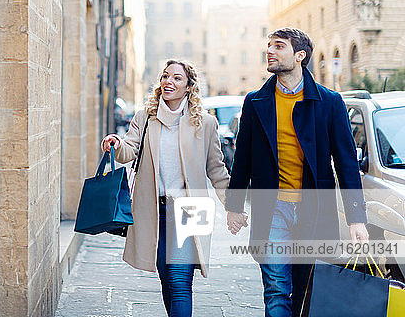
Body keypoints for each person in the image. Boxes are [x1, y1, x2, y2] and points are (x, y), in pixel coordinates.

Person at [225, 28, 369, 317]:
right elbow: (243, 157)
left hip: (314, 210)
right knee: (277, 287)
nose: (270, 51)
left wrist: (357, 218)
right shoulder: (256, 101)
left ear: (299, 56)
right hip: (272, 209)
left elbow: (346, 163)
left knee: (306, 289)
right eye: (269, 45)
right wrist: (234, 207)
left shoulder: (329, 102)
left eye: (279, 46)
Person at [102, 59, 229, 317]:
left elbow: (216, 169)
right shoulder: (145, 118)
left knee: (181, 282)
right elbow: (128, 150)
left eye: (177, 78)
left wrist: (234, 207)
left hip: (190, 210)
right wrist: (115, 144)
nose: (169, 81)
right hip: (154, 210)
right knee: (166, 279)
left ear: (188, 86)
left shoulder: (204, 123)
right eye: (165, 76)